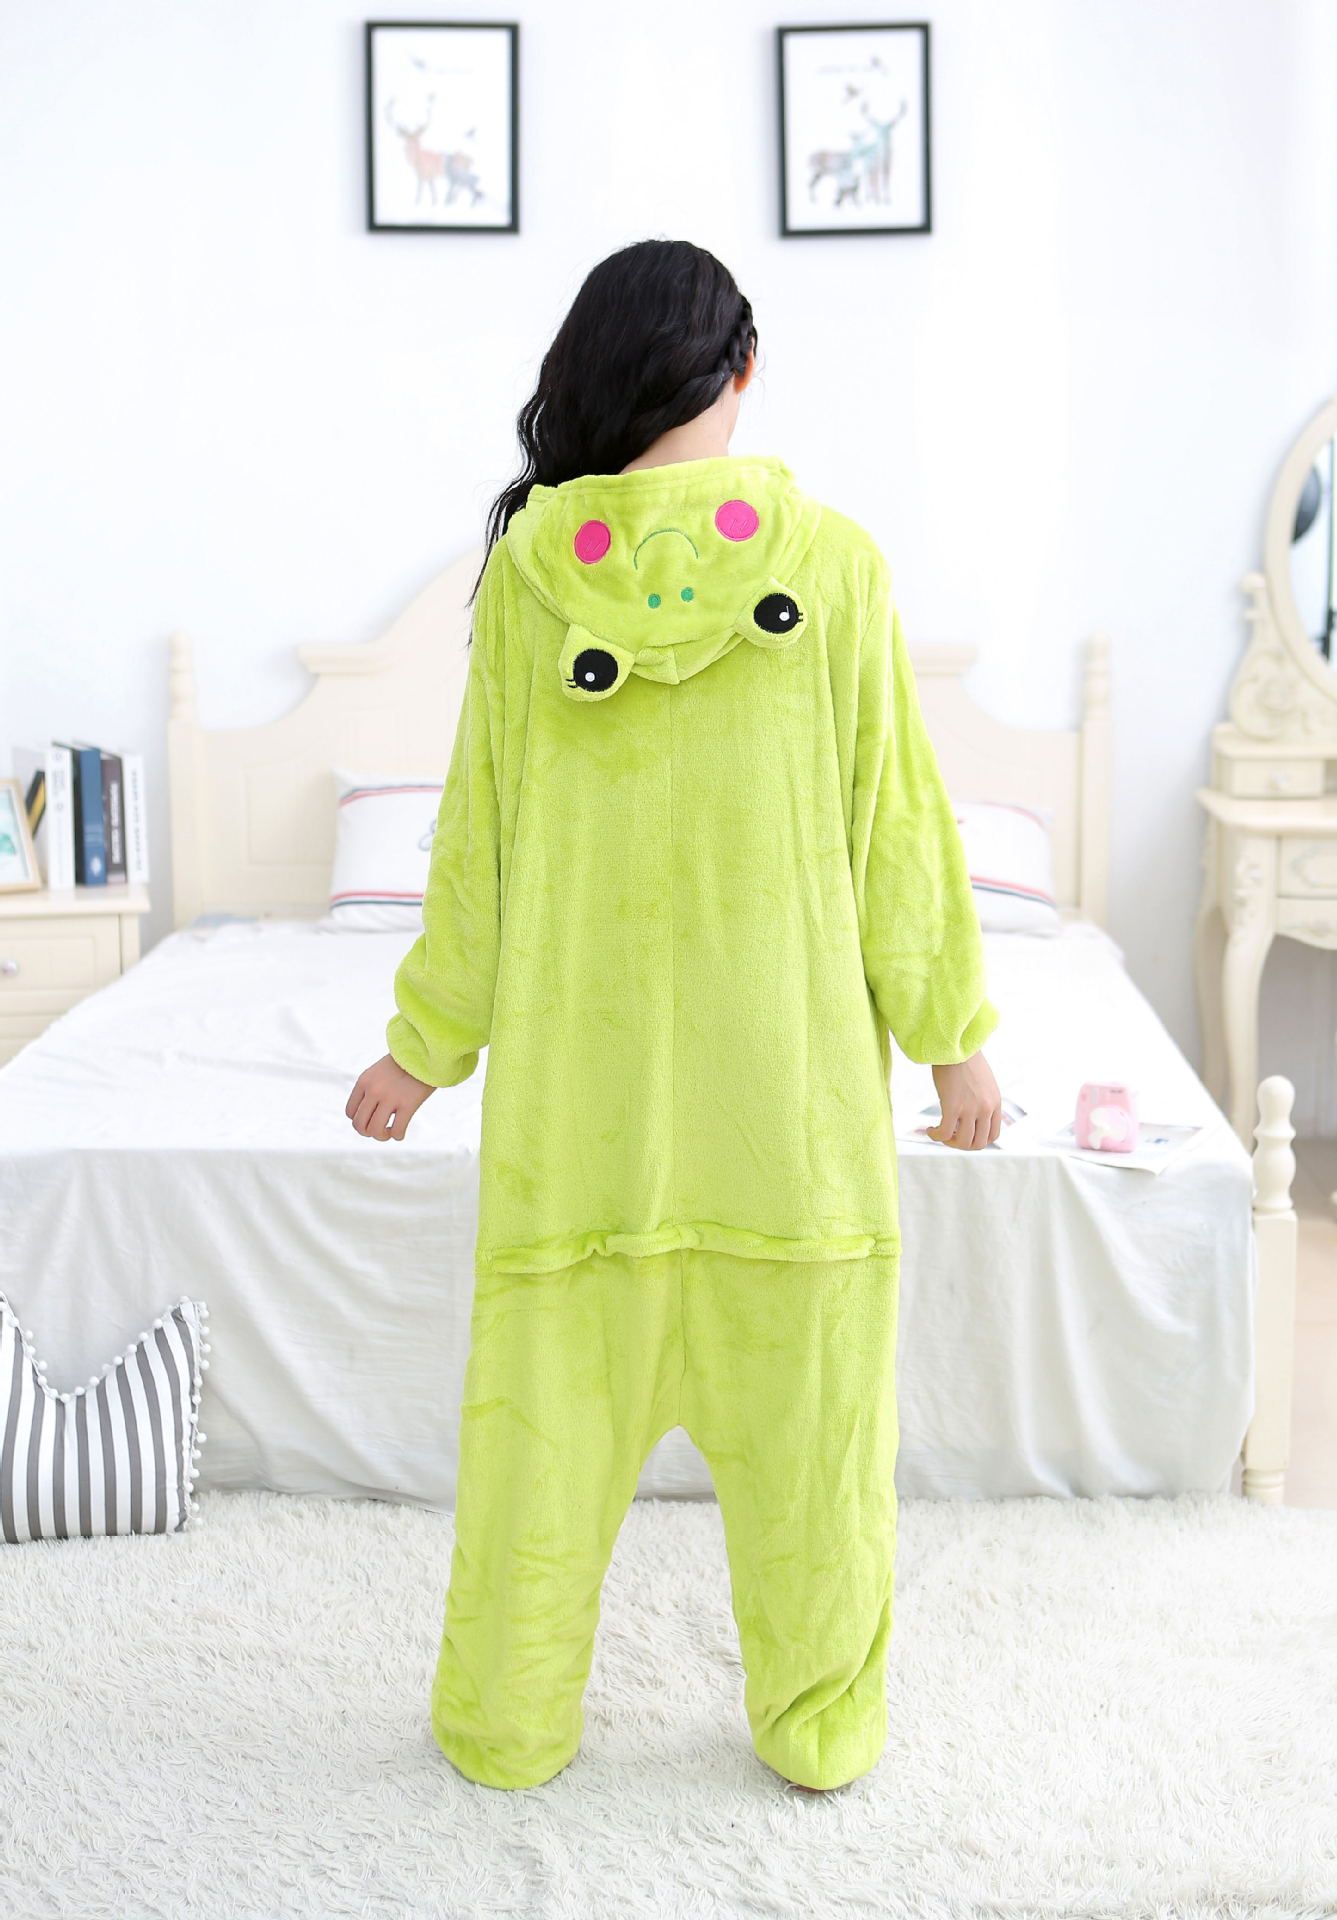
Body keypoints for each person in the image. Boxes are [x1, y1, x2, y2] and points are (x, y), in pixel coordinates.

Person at [345, 237, 1003, 1794]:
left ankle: (507, 1726)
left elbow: (476, 844)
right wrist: (953, 1038)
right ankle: (819, 1729)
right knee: (816, 1475)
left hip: (581, 1148)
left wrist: (422, 1048)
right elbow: (896, 828)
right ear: (743, 368)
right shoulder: (830, 565)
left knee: (539, 1464)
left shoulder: (529, 579)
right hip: (790, 1138)